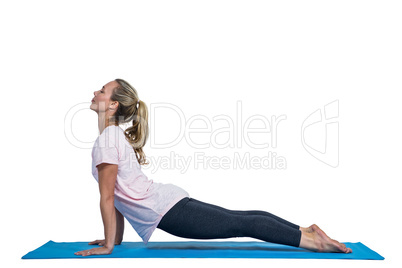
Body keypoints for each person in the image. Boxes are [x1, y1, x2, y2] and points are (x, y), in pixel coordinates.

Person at [74, 79, 352, 256]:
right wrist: (116, 241)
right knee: (244, 217)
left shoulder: (107, 139)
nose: (95, 92)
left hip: (166, 209)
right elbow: (118, 198)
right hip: (167, 203)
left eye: (101, 90)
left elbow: (109, 198)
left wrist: (110, 245)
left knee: (243, 222)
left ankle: (313, 242)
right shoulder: (112, 137)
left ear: (112, 104)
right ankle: (307, 231)